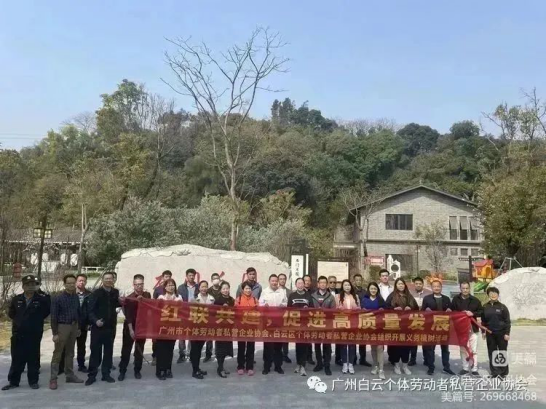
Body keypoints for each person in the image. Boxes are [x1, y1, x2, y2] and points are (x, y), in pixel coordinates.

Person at [2, 275, 50, 391]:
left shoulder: (42, 300)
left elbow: (45, 313)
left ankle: (33, 381)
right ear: (23, 286)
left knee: (33, 358)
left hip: (34, 333)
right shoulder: (16, 299)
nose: (30, 287)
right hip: (18, 333)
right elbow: (12, 313)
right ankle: (13, 382)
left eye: (33, 284)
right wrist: (20, 322)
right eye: (28, 285)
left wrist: (33, 322)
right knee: (17, 359)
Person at [85, 272, 121, 386]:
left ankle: (106, 374)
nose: (109, 280)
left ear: (113, 280)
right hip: (98, 327)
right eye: (106, 279)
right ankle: (92, 375)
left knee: (108, 352)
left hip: (110, 327)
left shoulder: (115, 292)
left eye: (111, 279)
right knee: (95, 352)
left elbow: (117, 305)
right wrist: (95, 321)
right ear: (102, 280)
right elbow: (90, 310)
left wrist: (121, 303)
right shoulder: (96, 293)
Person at [49, 274, 84, 390]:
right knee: (58, 353)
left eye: (73, 283)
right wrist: (55, 333)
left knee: (70, 352)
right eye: (68, 283)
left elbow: (78, 312)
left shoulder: (75, 297)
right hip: (62, 327)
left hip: (74, 326)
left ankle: (69, 375)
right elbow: (53, 317)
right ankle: (53, 378)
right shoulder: (57, 298)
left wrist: (78, 327)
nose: (71, 285)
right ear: (64, 284)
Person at [118, 274, 151, 381]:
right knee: (126, 350)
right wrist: (131, 330)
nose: (139, 286)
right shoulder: (130, 297)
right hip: (130, 327)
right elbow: (128, 316)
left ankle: (137, 370)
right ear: (133, 285)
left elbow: (150, 308)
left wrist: (143, 300)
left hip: (142, 327)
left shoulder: (147, 295)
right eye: (137, 284)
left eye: (141, 284)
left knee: (139, 350)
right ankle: (122, 371)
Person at [421, 280, 455, 376]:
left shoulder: (446, 299)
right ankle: (431, 367)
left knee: (445, 349)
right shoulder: (427, 299)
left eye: (438, 286)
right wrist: (425, 310)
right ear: (431, 288)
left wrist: (450, 310)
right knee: (431, 348)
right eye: (434, 286)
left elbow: (451, 312)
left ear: (441, 287)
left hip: (444, 327)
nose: (436, 288)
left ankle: (446, 367)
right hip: (432, 327)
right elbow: (421, 312)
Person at [385, 278, 418, 375]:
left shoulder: (409, 296)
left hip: (406, 326)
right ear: (396, 285)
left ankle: (405, 365)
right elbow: (385, 308)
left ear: (405, 285)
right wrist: (394, 309)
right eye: (399, 284)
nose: (401, 285)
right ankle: (396, 365)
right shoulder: (392, 296)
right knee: (396, 346)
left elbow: (416, 308)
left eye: (402, 284)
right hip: (395, 325)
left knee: (406, 346)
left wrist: (410, 308)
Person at [451, 281, 483, 376]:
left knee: (474, 349)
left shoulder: (475, 300)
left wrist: (473, 313)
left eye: (467, 288)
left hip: (473, 328)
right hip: (461, 328)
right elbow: (452, 312)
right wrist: (461, 313)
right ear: (460, 289)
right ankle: (465, 368)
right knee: (463, 348)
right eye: (463, 288)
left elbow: (481, 312)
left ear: (469, 289)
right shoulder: (455, 299)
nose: (465, 290)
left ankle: (474, 368)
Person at [260, 274, 288, 374]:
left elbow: (286, 303)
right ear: (269, 282)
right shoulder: (265, 291)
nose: (274, 282)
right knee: (267, 345)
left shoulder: (282, 291)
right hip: (268, 323)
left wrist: (282, 305)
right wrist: (264, 305)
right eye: (272, 281)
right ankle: (266, 367)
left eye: (276, 281)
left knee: (278, 345)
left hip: (279, 322)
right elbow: (260, 303)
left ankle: (278, 366)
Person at [481, 287, 511, 379]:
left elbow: (507, 321)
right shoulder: (485, 307)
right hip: (490, 333)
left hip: (501, 333)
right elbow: (483, 321)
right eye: (491, 293)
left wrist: (507, 333)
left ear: (498, 295)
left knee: (502, 352)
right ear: (488, 295)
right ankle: (494, 372)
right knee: (492, 352)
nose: (493, 295)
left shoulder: (502, 307)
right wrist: (483, 332)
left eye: (495, 293)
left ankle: (503, 372)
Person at [156, 279, 183, 380]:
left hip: (173, 327)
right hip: (162, 327)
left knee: (170, 349)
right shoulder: (161, 297)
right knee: (161, 350)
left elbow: (182, 310)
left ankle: (168, 369)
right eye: (169, 285)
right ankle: (160, 370)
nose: (171, 287)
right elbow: (156, 311)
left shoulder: (179, 297)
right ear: (165, 287)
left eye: (173, 285)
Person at [188, 280, 215, 379]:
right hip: (195, 327)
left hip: (205, 328)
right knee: (195, 349)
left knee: (199, 349)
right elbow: (189, 313)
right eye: (202, 286)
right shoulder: (194, 298)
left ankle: (197, 368)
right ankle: (194, 371)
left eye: (205, 286)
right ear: (199, 288)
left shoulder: (211, 299)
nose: (204, 288)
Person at [287, 278, 313, 376]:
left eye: (302, 283)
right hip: (295, 324)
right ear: (296, 285)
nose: (300, 285)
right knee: (298, 345)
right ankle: (298, 364)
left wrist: (308, 309)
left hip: (305, 324)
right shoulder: (292, 295)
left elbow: (312, 309)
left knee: (304, 345)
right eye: (298, 283)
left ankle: (303, 366)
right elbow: (288, 309)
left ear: (304, 284)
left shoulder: (308, 295)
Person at [361, 282, 386, 379]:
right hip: (369, 327)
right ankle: (375, 365)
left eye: (375, 289)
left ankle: (381, 369)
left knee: (380, 348)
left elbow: (386, 312)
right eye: (371, 288)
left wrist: (382, 310)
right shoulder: (364, 300)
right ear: (368, 289)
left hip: (379, 327)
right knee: (373, 348)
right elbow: (360, 312)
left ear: (377, 290)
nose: (373, 290)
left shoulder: (381, 300)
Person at [311, 276, 336, 376]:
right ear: (318, 284)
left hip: (327, 325)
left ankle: (327, 365)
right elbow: (309, 310)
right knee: (317, 345)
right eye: (321, 282)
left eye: (324, 283)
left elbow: (333, 311)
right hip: (316, 325)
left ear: (327, 284)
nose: (323, 284)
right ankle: (319, 364)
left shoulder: (331, 297)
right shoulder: (312, 296)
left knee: (327, 346)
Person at [335, 279, 360, 374]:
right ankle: (345, 363)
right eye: (345, 285)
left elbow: (359, 308)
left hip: (353, 323)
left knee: (352, 345)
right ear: (342, 286)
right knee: (343, 344)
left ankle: (351, 364)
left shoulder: (355, 296)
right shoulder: (337, 296)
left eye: (348, 285)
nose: (347, 287)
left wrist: (356, 310)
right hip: (342, 323)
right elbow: (335, 309)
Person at [235, 281, 258, 376]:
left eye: (249, 289)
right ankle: (240, 366)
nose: (248, 290)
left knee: (251, 347)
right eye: (246, 288)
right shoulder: (238, 299)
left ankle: (249, 367)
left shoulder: (255, 300)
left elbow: (259, 312)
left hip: (252, 327)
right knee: (241, 347)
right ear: (243, 290)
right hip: (241, 327)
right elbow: (236, 313)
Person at [213, 281, 235, 378]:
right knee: (220, 349)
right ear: (221, 290)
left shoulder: (231, 300)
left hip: (229, 327)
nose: (226, 290)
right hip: (220, 327)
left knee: (226, 348)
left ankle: (222, 367)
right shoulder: (218, 300)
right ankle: (220, 368)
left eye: (227, 288)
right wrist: (222, 308)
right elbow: (213, 313)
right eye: (224, 289)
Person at [408, 276, 431, 367]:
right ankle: (412, 359)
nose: (418, 285)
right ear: (414, 284)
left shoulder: (428, 294)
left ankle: (426, 359)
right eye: (416, 284)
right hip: (413, 320)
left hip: (425, 321)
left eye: (420, 284)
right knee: (413, 341)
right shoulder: (410, 294)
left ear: (423, 284)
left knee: (425, 340)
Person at [177, 268, 198, 363]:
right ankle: (182, 354)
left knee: (191, 334)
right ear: (186, 276)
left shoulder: (198, 287)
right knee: (181, 334)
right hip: (183, 313)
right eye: (190, 275)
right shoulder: (181, 288)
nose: (191, 277)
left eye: (193, 275)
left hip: (194, 313)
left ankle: (190, 354)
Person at [152, 270, 172, 366]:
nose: (168, 278)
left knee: (168, 340)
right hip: (159, 318)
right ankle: (155, 356)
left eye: (169, 276)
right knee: (157, 339)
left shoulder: (173, 290)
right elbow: (153, 303)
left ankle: (166, 360)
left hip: (171, 319)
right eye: (166, 276)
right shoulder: (158, 290)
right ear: (163, 277)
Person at [353, 274, 371, 367]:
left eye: (360, 280)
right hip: (354, 318)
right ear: (354, 281)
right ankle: (353, 358)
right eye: (357, 280)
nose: (358, 281)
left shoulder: (365, 292)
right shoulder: (352, 291)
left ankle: (362, 359)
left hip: (363, 317)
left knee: (362, 339)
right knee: (353, 339)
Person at [378, 269, 394, 365]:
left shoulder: (392, 288)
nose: (385, 277)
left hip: (390, 315)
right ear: (380, 277)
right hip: (379, 316)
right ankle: (380, 360)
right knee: (380, 338)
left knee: (391, 337)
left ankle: (392, 358)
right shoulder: (376, 287)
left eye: (386, 276)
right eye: (383, 276)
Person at [205, 273, 222, 362]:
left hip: (220, 316)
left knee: (218, 336)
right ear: (212, 280)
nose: (216, 280)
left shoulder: (222, 289)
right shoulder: (208, 291)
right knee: (209, 337)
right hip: (210, 316)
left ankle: (218, 354)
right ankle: (208, 354)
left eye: (217, 278)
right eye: (214, 278)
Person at [278, 273, 292, 364]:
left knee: (285, 336)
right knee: (277, 336)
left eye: (284, 279)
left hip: (286, 316)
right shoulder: (275, 291)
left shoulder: (290, 292)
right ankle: (276, 354)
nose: (282, 280)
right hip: (277, 317)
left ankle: (285, 354)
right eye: (281, 279)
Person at [303, 274, 316, 365]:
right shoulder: (299, 291)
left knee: (309, 339)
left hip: (311, 318)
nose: (307, 282)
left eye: (308, 281)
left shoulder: (314, 292)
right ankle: (302, 358)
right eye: (305, 280)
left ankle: (309, 357)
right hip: (301, 319)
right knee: (302, 339)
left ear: (311, 282)